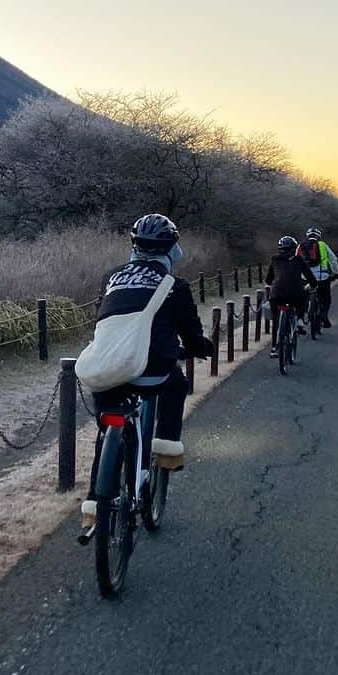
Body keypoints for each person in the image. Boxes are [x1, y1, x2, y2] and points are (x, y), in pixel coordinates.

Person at [80, 213, 214, 540]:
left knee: (107, 428)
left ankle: (95, 507)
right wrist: (203, 348)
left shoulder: (111, 277)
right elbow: (192, 336)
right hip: (153, 369)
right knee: (176, 383)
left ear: (134, 245)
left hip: (108, 368)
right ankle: (166, 450)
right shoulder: (174, 286)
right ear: (172, 248)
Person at [265, 235, 319, 355]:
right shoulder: (299, 260)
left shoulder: (274, 260)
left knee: (276, 321)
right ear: (294, 249)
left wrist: (274, 282)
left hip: (277, 294)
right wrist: (313, 285)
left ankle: (274, 348)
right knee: (303, 295)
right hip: (295, 293)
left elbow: (268, 280)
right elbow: (310, 277)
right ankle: (300, 319)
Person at [298, 226, 338, 327]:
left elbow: (295, 261)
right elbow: (333, 259)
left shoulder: (301, 246)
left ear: (307, 236)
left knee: (303, 297)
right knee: (326, 298)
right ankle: (323, 316)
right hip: (322, 277)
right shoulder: (322, 245)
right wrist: (336, 273)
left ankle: (302, 316)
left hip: (305, 278)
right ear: (319, 236)